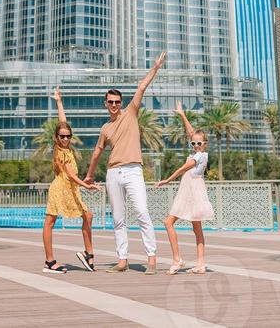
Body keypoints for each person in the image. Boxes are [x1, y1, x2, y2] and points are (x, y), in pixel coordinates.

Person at [84, 52, 166, 274]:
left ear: (121, 103)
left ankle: (151, 259)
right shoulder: (105, 128)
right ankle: (122, 260)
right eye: (110, 102)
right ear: (105, 103)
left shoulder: (130, 113)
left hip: (133, 170)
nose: (114, 104)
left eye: (117, 102)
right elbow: (97, 152)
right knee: (118, 219)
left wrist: (156, 67)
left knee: (142, 212)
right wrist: (90, 175)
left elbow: (141, 87)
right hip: (113, 173)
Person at [43, 86, 99, 274]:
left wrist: (59, 102)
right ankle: (50, 261)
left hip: (71, 189)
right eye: (62, 136)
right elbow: (71, 175)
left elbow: (62, 121)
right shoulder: (60, 152)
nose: (66, 139)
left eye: (68, 136)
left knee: (87, 216)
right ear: (56, 138)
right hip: (61, 188)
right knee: (50, 221)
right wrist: (87, 185)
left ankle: (88, 254)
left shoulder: (66, 147)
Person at [156, 101, 215, 275]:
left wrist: (167, 180)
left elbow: (183, 168)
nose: (196, 146)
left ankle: (178, 259)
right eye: (193, 144)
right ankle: (200, 263)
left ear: (205, 144)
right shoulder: (198, 151)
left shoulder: (201, 156)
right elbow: (192, 133)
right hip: (189, 190)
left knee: (169, 223)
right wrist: (182, 115)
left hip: (193, 192)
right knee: (195, 228)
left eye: (199, 143)